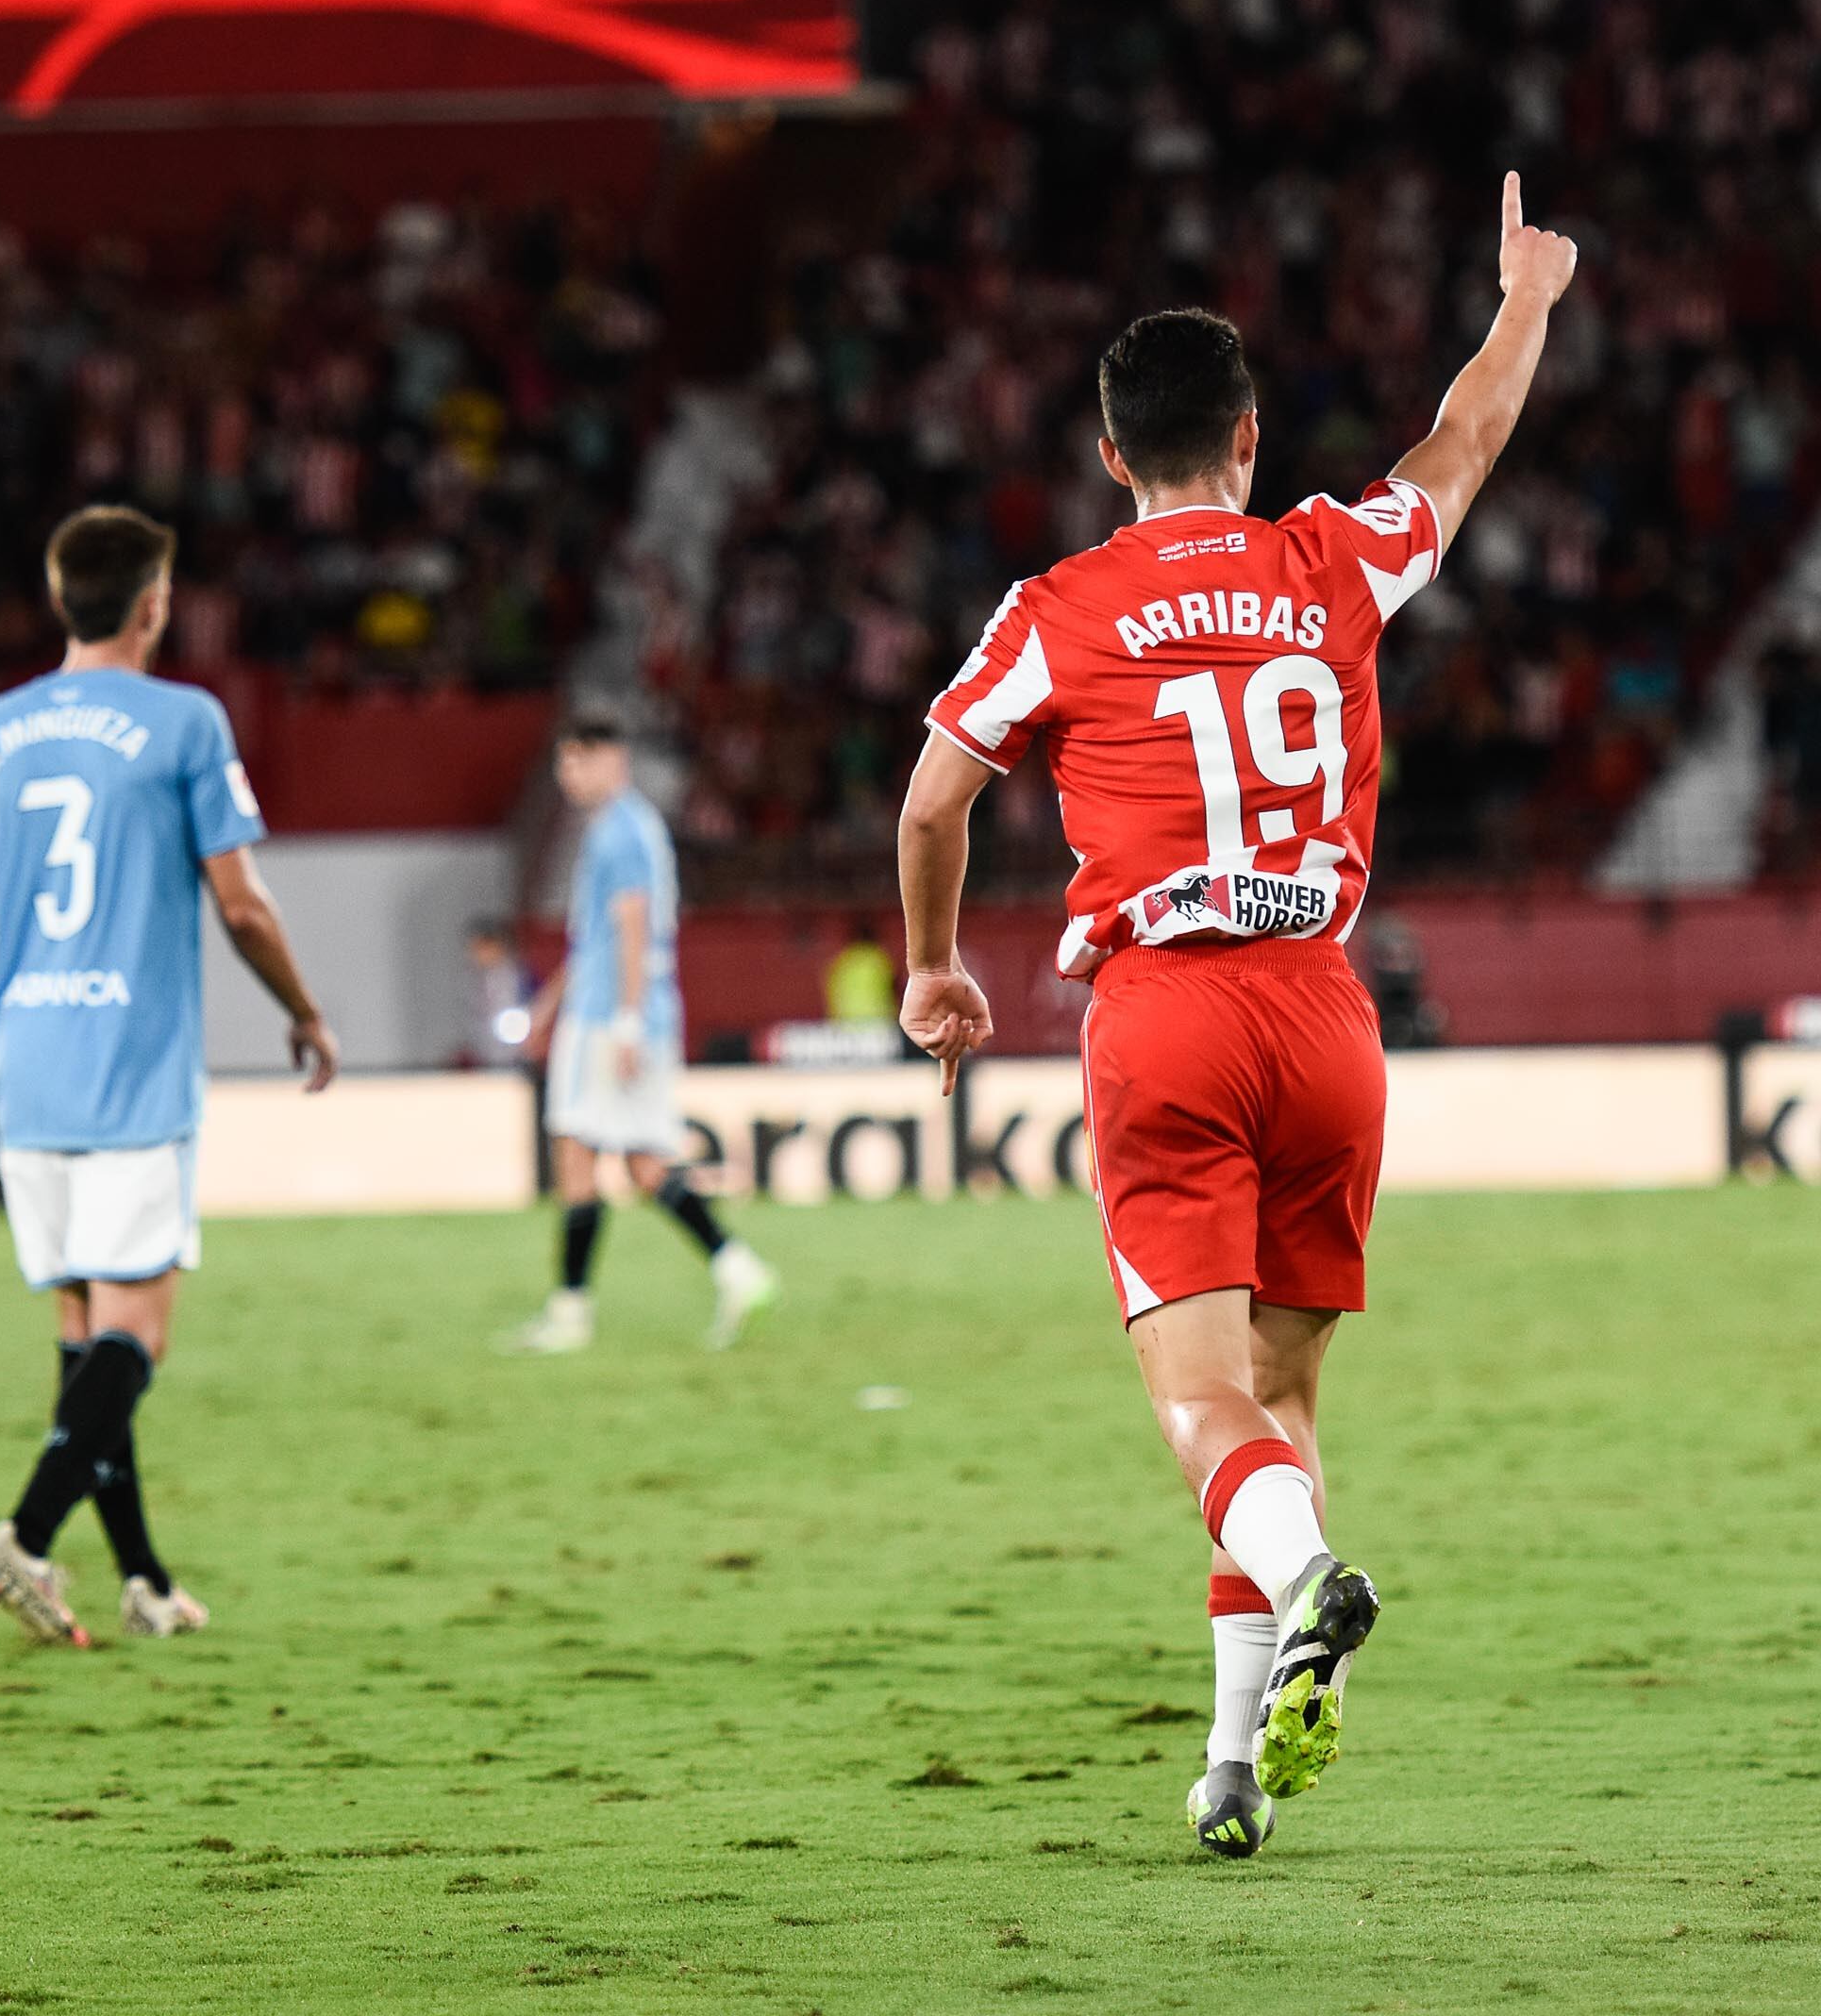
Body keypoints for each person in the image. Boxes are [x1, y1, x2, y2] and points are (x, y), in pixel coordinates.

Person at [894, 175, 1578, 1858]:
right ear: (1252, 438)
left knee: (1201, 1406)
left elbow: (932, 806)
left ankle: (1310, 1581)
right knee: (1284, 1401)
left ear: (1113, 454)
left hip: (1171, 1013)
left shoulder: (1060, 608)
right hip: (1330, 1016)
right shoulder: (1328, 557)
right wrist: (1529, 304)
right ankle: (1226, 1758)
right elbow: (1460, 450)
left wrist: (933, 964)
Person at [0, 506, 340, 1647]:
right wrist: (305, 1009)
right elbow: (239, 901)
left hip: (26, 1064)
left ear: (58, 599)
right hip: (131, 1059)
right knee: (142, 1336)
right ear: (153, 605)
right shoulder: (185, 720)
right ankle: (24, 1542)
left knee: (87, 1339)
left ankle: (140, 1579)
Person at [504, 717, 777, 1355]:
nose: (568, 774)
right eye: (563, 763)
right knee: (646, 1166)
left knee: (576, 1153)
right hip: (631, 1011)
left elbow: (631, 926)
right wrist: (547, 1006)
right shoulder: (631, 828)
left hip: (612, 1019)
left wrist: (624, 1022)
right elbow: (601, 935)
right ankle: (740, 1270)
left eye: (580, 760)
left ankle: (570, 1312)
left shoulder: (619, 833)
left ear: (614, 759)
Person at [463, 923, 531, 1070]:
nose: (474, 954)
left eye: (480, 947)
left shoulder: (516, 975)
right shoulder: (477, 978)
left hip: (516, 1054)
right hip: (488, 1053)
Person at [825, 915, 898, 1027]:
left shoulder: (842, 962)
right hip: (878, 1020)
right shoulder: (879, 959)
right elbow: (893, 987)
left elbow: (832, 989)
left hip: (846, 1021)